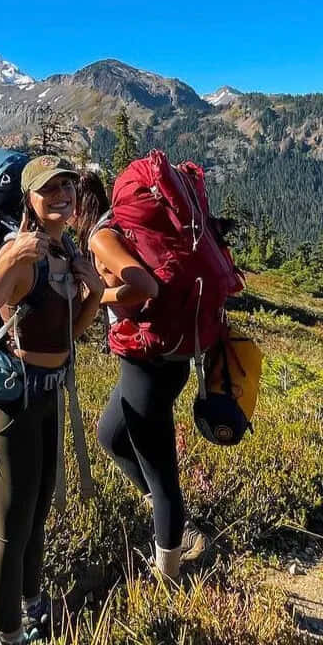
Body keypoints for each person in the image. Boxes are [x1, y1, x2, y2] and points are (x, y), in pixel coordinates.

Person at [0, 155, 105, 645]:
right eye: (49, 189)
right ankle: (10, 642)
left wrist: (96, 293)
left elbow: (67, 336)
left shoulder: (65, 249)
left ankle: (34, 606)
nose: (61, 195)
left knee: (38, 510)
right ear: (29, 199)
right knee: (10, 526)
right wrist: (0, 266)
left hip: (48, 395)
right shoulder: (20, 257)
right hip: (11, 404)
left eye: (67, 186)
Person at [76, 169, 207, 583]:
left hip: (147, 364)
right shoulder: (121, 224)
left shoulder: (102, 236)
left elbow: (144, 287)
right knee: (110, 435)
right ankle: (170, 520)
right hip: (166, 358)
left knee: (160, 468)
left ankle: (167, 573)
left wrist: (96, 296)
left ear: (82, 207)